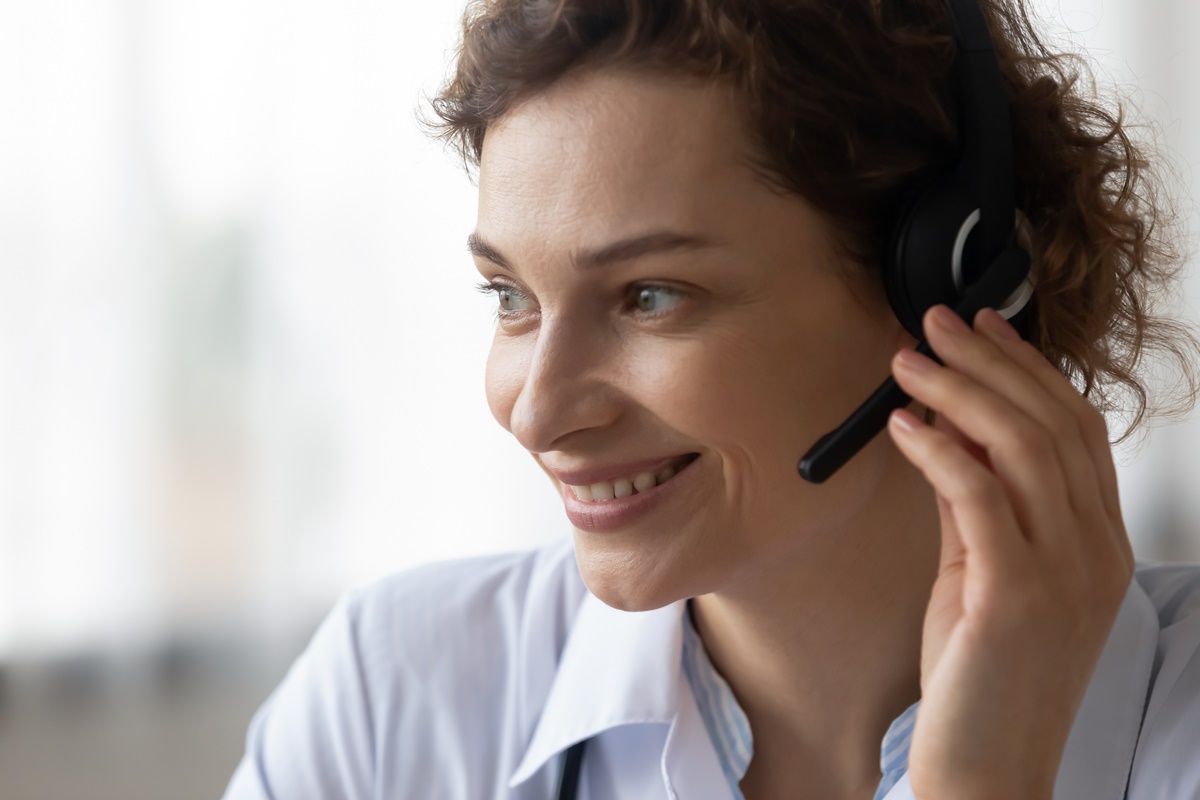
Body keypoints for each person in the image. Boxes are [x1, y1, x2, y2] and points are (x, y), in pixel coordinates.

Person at [222, 1, 1200, 798]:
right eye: (511, 297)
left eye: (651, 296)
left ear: (947, 287)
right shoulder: (393, 698)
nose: (537, 410)